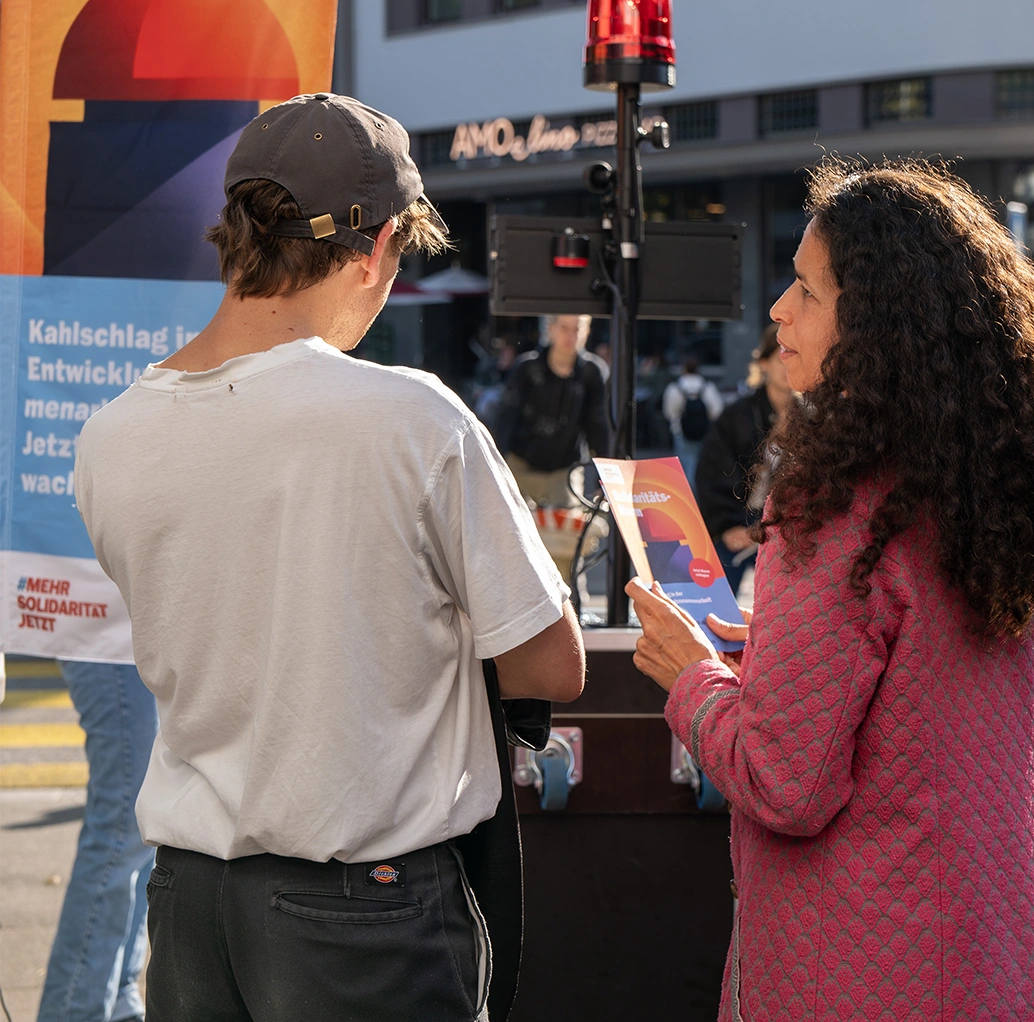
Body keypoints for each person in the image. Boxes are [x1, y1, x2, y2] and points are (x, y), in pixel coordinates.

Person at [73, 93, 585, 1022]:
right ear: (377, 246)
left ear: (237, 232)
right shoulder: (410, 419)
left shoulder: (110, 436)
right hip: (364, 909)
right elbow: (552, 662)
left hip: (189, 903)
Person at [628, 158, 1034, 1021]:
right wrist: (780, 645)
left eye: (806, 288)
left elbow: (784, 785)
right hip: (1009, 955)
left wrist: (693, 676)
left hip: (865, 967)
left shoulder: (835, 507)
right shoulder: (1008, 487)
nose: (778, 311)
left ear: (875, 324)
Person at [36, 662, 157, 1022]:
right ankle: (72, 1010)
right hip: (105, 631)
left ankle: (117, 997)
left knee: (147, 816)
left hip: (132, 626)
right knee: (126, 820)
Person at [694, 323, 793, 596]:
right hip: (739, 520)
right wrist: (729, 525)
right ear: (764, 363)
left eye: (793, 356)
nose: (787, 367)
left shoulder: (813, 418)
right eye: (780, 357)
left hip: (787, 528)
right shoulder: (737, 415)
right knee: (717, 584)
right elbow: (712, 473)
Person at [495, 314, 611, 513]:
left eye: (577, 329)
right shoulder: (527, 367)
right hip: (521, 464)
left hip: (564, 470)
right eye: (564, 328)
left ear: (587, 332)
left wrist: (606, 481)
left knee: (569, 535)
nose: (570, 336)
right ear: (551, 329)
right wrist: (495, 468)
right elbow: (505, 420)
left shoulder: (592, 372)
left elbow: (597, 426)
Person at [661, 356, 722, 486]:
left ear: (684, 369)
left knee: (685, 465)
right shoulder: (707, 387)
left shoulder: (675, 387)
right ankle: (700, 495)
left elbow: (668, 412)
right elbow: (717, 410)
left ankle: (689, 496)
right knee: (702, 465)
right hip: (704, 431)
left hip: (681, 432)